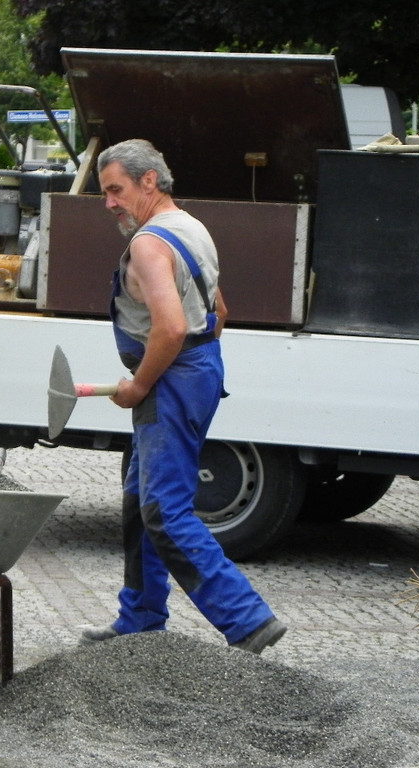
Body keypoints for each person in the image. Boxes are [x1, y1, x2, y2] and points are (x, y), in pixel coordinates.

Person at [81, 139, 286, 653]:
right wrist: (196, 365)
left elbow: (171, 328)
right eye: (105, 192)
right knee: (140, 498)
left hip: (170, 378)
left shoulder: (149, 244)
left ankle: (247, 620)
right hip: (198, 369)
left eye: (116, 190)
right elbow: (219, 311)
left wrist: (140, 385)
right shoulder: (191, 227)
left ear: (149, 180)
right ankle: (140, 616)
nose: (109, 203)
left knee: (163, 509)